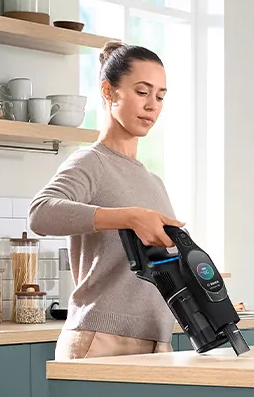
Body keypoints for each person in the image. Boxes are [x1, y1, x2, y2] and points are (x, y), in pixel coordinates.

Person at [29, 42, 183, 359]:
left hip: (156, 341)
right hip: (101, 340)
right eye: (142, 92)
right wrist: (129, 217)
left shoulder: (155, 183)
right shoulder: (91, 162)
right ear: (109, 92)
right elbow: (40, 213)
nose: (152, 105)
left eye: (160, 96)